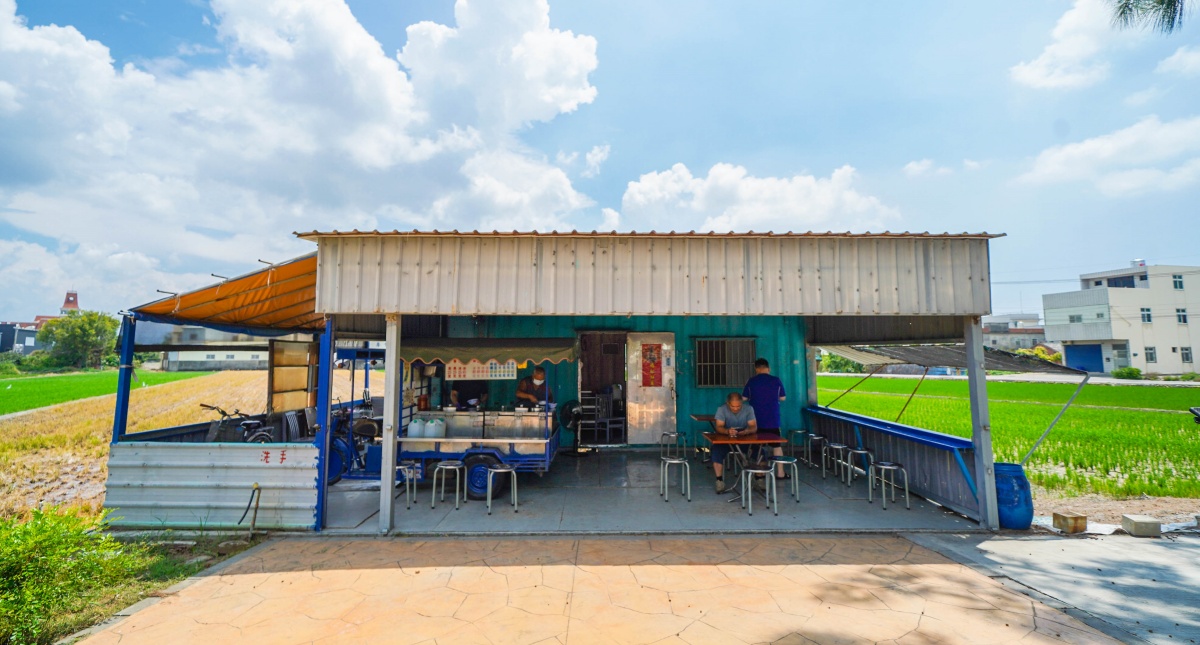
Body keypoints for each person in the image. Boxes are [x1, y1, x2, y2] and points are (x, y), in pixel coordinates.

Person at [742, 358, 788, 477]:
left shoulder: (751, 381)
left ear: (756, 369)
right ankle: (781, 473)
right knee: (776, 446)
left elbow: (744, 398)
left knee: (756, 446)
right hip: (773, 420)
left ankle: (759, 473)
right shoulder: (776, 380)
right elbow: (783, 398)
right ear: (768, 368)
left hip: (756, 420)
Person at [712, 392, 757, 493]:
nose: (736, 408)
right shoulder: (722, 409)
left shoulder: (748, 409)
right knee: (716, 451)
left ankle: (760, 479)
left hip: (744, 438)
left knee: (760, 452)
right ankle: (719, 481)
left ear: (742, 403)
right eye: (733, 406)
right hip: (726, 439)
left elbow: (753, 426)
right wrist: (727, 431)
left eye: (739, 406)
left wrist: (747, 431)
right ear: (728, 403)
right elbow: (719, 427)